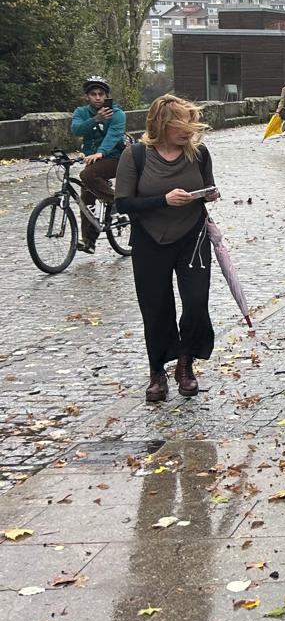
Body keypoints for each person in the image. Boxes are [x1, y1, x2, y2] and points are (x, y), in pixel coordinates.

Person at [114, 95, 218, 403]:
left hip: (192, 237)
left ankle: (186, 363)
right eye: (181, 125)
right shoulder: (135, 156)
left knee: (197, 301)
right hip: (149, 239)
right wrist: (163, 200)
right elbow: (123, 202)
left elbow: (208, 186)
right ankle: (157, 370)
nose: (189, 130)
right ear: (162, 125)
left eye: (191, 123)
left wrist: (209, 194)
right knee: (156, 307)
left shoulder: (198, 154)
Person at [69, 75, 126, 254]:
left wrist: (101, 151)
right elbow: (76, 129)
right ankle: (89, 241)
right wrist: (95, 119)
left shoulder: (116, 113)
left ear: (106, 95)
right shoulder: (81, 112)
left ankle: (117, 202)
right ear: (87, 96)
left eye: (101, 94)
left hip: (117, 158)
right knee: (86, 198)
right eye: (93, 94)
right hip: (93, 160)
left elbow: (114, 135)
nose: (98, 97)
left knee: (86, 176)